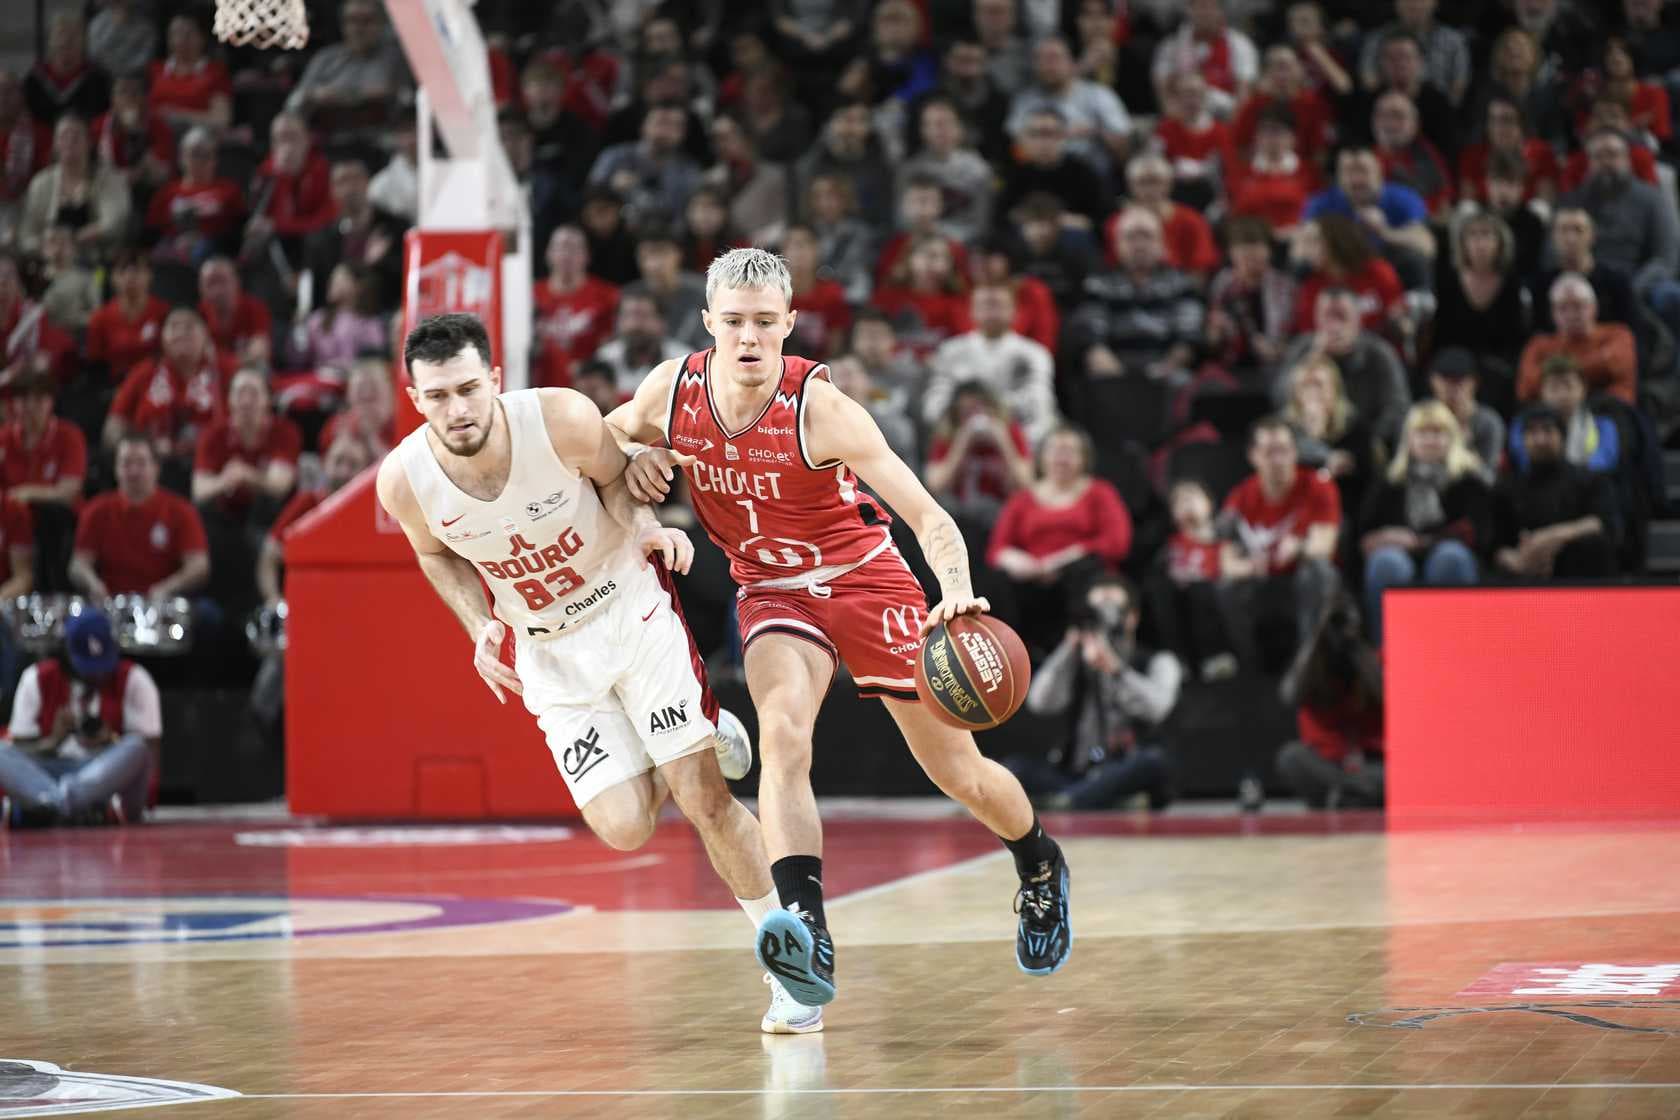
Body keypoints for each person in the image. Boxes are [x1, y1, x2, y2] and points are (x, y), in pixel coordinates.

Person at [609, 248, 1075, 1006]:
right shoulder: (670, 391)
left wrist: (955, 593)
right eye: (734, 322)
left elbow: (930, 515)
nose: (750, 338)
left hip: (866, 580)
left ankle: (1039, 861)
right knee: (783, 737)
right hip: (771, 591)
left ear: (791, 324)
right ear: (707, 324)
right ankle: (808, 933)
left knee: (958, 773)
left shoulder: (822, 410)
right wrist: (630, 462)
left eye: (765, 322)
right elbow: (602, 443)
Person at [376, 312, 816, 1034]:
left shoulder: (561, 419)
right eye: (436, 398)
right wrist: (478, 623)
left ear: (493, 379)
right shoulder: (405, 481)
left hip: (628, 610)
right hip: (548, 651)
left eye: (466, 390)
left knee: (703, 801)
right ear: (414, 395)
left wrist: (648, 531)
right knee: (621, 828)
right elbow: (435, 553)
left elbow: (621, 483)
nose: (456, 411)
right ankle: (705, 733)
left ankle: (788, 967)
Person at [1009, 574, 1181, 811]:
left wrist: (1115, 669)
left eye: (1110, 609)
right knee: (1012, 770)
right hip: (1076, 772)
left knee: (1154, 762)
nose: (1101, 616)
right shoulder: (1075, 661)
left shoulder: (1158, 660)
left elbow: (1157, 708)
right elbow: (1040, 702)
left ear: (1131, 618)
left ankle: (1069, 801)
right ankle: (1081, 799)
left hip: (1124, 767)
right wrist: (1069, 647)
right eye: (1094, 610)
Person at [0, 607, 161, 827]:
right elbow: (18, 755)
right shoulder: (36, 678)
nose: (97, 675)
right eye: (88, 668)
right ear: (66, 655)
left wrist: (111, 742)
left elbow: (148, 766)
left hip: (103, 775)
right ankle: (68, 805)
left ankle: (53, 805)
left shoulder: (135, 679)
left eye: (102, 666)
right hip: (49, 771)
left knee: (136, 747)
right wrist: (52, 742)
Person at [986, 424, 1133, 659]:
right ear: (1042, 457)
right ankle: (1012, 658)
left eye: (1070, 451)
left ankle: (1082, 652)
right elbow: (997, 549)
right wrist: (1019, 561)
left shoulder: (1100, 492)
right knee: (998, 581)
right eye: (1055, 450)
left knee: (1085, 572)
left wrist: (1063, 559)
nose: (1061, 458)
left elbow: (1117, 542)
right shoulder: (1022, 499)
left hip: (1079, 573)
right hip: (1030, 578)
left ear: (1084, 459)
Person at [1357, 401, 1490, 644]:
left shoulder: (1469, 480)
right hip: (1398, 556)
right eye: (1422, 433)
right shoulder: (1389, 482)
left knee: (1449, 558)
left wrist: (1418, 542)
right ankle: (1385, 651)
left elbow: (1478, 532)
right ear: (1409, 440)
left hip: (1451, 553)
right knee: (1386, 562)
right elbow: (1365, 532)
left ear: (1452, 438)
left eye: (1437, 433)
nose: (1430, 440)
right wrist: (1382, 537)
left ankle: (1458, 645)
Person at [1219, 417, 1341, 671]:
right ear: (1253, 456)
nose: (1278, 460)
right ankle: (1249, 666)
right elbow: (1227, 562)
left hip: (1301, 576)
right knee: (1226, 587)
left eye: (1284, 451)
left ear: (1295, 452)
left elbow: (1324, 546)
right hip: (1263, 579)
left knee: (1318, 572)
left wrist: (1298, 547)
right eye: (1269, 452)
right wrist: (1251, 566)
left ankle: (1310, 664)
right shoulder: (1240, 496)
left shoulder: (1318, 486)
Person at [1069, 206, 1205, 389]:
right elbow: (1092, 340)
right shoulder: (1097, 285)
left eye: (1147, 236)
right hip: (1112, 372)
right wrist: (1119, 376)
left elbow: (1188, 338)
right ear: (1117, 244)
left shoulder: (1182, 284)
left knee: (1186, 382)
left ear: (1161, 244)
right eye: (1131, 237)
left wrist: (1164, 370)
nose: (1139, 244)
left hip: (1167, 374)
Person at [1275, 594, 1384, 809]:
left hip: (1373, 764)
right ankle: (1351, 797)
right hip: (1333, 765)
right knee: (1291, 758)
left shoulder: (1378, 665)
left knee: (1392, 775)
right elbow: (1315, 739)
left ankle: (1342, 798)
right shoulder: (1312, 675)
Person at [70, 433, 209, 601]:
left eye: (141, 463)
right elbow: (78, 563)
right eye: (126, 463)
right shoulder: (95, 511)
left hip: (164, 602)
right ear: (116, 469)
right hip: (111, 602)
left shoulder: (181, 511)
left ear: (156, 468)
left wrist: (168, 587)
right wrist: (93, 583)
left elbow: (199, 565)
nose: (134, 471)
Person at [1492, 406, 1619, 580]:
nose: (1540, 440)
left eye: (1547, 430)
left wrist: (1550, 537)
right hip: (1523, 579)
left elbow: (1603, 523)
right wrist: (1516, 560)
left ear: (1562, 437)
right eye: (1532, 433)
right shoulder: (1507, 487)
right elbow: (1496, 545)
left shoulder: (1589, 479)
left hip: (1578, 578)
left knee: (1593, 545)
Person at [1275, 288, 1412, 447]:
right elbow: (1279, 398)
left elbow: (1398, 406)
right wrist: (1312, 359)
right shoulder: (1303, 349)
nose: (1334, 325)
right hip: (1309, 440)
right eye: (1327, 316)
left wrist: (1370, 441)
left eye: (1341, 316)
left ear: (1357, 319)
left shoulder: (1379, 353)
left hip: (1365, 438)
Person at [924, 284, 1057, 446]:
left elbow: (1040, 408)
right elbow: (933, 407)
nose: (992, 312)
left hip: (1017, 444)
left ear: (1014, 311)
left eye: (999, 305)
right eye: (985, 305)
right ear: (971, 311)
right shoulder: (950, 351)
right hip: (960, 442)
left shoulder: (1035, 354)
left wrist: (1014, 444)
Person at [1302, 147, 1435, 290]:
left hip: (1389, 264)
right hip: (1339, 269)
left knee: (1414, 260)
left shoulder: (1404, 198)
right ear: (1338, 177)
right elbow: (1300, 250)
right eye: (1348, 172)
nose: (1356, 179)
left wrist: (1385, 231)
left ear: (1379, 172)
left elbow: (1427, 245)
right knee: (1302, 266)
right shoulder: (1321, 204)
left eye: (1363, 171)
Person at [0, 372, 86, 590]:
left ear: (51, 402)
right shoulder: (4, 438)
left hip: (56, 524)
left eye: (38, 399)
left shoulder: (69, 436)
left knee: (51, 517)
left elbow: (68, 491)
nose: (30, 407)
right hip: (12, 519)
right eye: (23, 400)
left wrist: (26, 492)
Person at [1150, 479, 1240, 680]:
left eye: (1192, 499)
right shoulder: (1170, 543)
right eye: (1180, 502)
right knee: (1160, 590)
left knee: (1200, 590)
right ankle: (1178, 660)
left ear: (1209, 504)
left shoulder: (1221, 537)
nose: (1187, 505)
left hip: (1211, 592)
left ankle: (1216, 656)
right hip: (1178, 594)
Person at [923, 381, 1033, 544]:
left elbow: (1027, 484)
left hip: (1000, 512)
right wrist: (962, 443)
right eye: (966, 412)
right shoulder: (948, 435)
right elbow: (935, 486)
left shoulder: (1010, 432)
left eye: (979, 409)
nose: (974, 417)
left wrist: (1003, 443)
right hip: (961, 516)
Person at [1429, 210, 1530, 384]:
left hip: (1498, 364)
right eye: (1473, 235)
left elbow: (1515, 337)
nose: (1479, 243)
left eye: (1486, 235)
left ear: (1500, 243)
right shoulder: (1447, 280)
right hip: (1454, 362)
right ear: (1462, 243)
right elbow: (1440, 334)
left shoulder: (1512, 282)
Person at [16, 115, 131, 256]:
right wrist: (46, 245)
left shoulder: (110, 179)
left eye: (76, 136)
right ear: (55, 144)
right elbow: (26, 235)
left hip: (96, 261)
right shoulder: (41, 183)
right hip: (50, 262)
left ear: (89, 142)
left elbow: (115, 223)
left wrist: (74, 239)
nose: (69, 141)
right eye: (63, 136)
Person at [1515, 274, 1638, 406]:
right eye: (1563, 308)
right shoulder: (1539, 344)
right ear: (1553, 313)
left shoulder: (1618, 334)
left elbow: (1615, 364)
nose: (1571, 315)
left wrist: (1554, 378)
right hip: (1553, 416)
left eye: (1578, 306)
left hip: (1609, 412)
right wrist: (1595, 367)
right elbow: (1525, 388)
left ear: (1594, 307)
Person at [1207, 216, 1295, 379]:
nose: (1249, 256)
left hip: (1275, 366)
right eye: (1241, 249)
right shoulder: (1223, 283)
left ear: (1269, 250)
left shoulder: (1283, 285)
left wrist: (1275, 350)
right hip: (1230, 366)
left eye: (1256, 248)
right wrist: (1216, 332)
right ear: (1231, 253)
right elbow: (1213, 337)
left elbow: (1291, 331)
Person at [533, 226, 620, 390]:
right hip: (540, 387)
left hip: (589, 391)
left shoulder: (608, 296)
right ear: (548, 254)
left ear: (587, 256)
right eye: (560, 247)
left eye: (574, 248)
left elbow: (613, 348)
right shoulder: (531, 296)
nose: (566, 255)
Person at [1508, 357, 1622, 476]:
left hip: (1587, 487)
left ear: (1583, 389)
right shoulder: (1523, 425)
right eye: (1554, 388)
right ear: (1542, 392)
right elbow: (1525, 462)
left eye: (1568, 386)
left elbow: (1603, 464)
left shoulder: (1603, 425)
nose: (1562, 395)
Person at [1357, 0, 1470, 106]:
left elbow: (1459, 86)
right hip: (1388, 113)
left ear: (1435, 2)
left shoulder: (1454, 41)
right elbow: (1369, 82)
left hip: (1438, 113)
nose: (1414, 3)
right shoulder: (1377, 40)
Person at [85, 248, 169, 384]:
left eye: (138, 270)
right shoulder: (100, 318)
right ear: (113, 278)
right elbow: (95, 363)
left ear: (150, 276)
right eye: (122, 271)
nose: (130, 277)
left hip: (156, 383)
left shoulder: (164, 312)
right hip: (114, 386)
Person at [1427, 348, 1504, 482]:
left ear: (1474, 383)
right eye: (1445, 380)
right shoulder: (1421, 417)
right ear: (1433, 381)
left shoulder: (1488, 422)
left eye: (1459, 381)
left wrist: (1463, 446)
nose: (1452, 388)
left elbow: (1489, 478)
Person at [198, 257, 273, 368]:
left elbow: (260, 351)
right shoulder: (198, 314)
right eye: (210, 283)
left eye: (222, 281)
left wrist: (225, 362)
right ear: (201, 288)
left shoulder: (255, 308)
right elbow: (199, 355)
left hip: (247, 371)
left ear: (237, 282)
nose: (217, 291)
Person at [319, 356, 397, 453]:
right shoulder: (335, 428)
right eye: (360, 394)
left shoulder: (406, 427)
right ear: (348, 396)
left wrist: (372, 438)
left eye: (374, 392)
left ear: (392, 393)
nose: (366, 393)